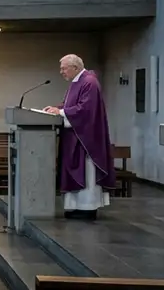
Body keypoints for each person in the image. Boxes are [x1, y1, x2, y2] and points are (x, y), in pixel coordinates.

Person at [43, 54, 115, 220]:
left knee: (86, 173)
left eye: (63, 68)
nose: (61, 72)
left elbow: (86, 110)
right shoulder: (77, 82)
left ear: (75, 67)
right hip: (74, 137)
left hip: (85, 140)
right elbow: (71, 105)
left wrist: (61, 112)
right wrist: (56, 108)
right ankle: (75, 207)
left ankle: (87, 208)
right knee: (76, 171)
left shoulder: (89, 82)